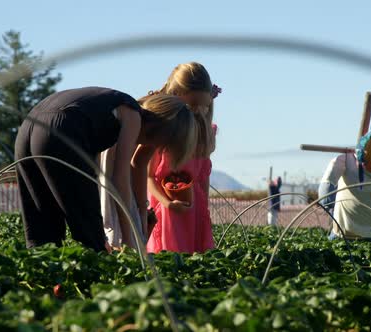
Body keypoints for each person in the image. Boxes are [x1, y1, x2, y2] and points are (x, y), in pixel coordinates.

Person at [15, 87, 197, 253]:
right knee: (91, 237)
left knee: (43, 227)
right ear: (161, 130)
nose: (157, 147)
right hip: (62, 130)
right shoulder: (133, 115)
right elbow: (120, 179)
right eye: (161, 143)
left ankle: (44, 280)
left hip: (29, 126)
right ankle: (94, 284)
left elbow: (132, 165)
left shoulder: (113, 105)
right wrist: (130, 241)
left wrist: (142, 212)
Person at [144, 62, 220, 254]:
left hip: (194, 211)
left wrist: (204, 211)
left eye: (201, 106)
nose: (196, 111)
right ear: (175, 95)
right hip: (166, 210)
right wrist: (167, 203)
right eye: (191, 105)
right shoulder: (163, 131)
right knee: (168, 257)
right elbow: (150, 176)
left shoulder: (205, 133)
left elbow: (202, 179)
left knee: (195, 260)